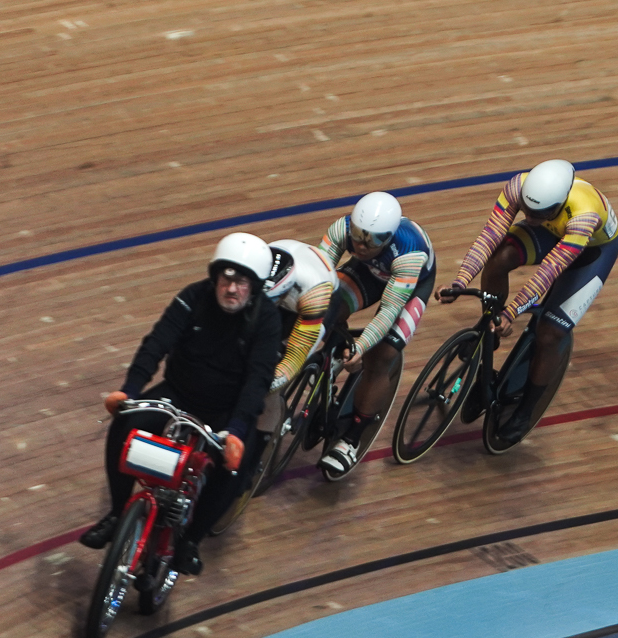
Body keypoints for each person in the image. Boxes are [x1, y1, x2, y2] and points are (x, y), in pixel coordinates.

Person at [80, 233, 284, 575]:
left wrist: (235, 430)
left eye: (242, 282)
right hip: (177, 393)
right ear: (216, 277)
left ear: (255, 288)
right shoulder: (192, 297)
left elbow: (258, 379)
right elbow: (157, 341)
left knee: (234, 468)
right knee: (125, 423)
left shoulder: (267, 320)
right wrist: (130, 391)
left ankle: (190, 540)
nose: (232, 289)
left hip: (225, 408)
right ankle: (117, 513)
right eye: (227, 278)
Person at [441, 159, 618, 442]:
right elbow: (489, 237)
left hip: (591, 254)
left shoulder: (585, 215)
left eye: (542, 211)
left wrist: (512, 313)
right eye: (528, 210)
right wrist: (459, 281)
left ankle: (526, 410)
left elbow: (548, 273)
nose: (532, 217)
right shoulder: (517, 187)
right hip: (552, 234)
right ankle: (490, 331)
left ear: (560, 202)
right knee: (499, 259)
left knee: (550, 334)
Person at [265, 192, 436, 478]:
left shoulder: (408, 254)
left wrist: (361, 345)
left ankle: (352, 438)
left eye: (373, 240)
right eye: (357, 235)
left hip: (409, 285)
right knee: (331, 305)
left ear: (390, 236)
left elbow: (389, 310)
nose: (361, 244)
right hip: (369, 272)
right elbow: (320, 278)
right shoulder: (341, 229)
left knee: (382, 355)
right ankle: (325, 357)